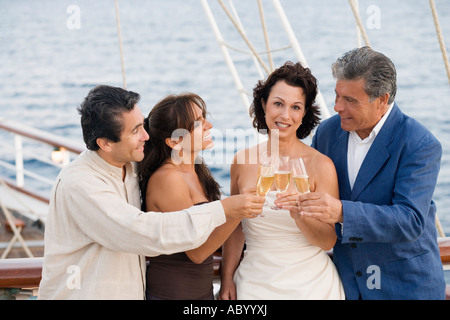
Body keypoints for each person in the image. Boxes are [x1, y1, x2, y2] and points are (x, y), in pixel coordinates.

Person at [38, 85, 264, 300]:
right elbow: (143, 230)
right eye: (135, 131)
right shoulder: (81, 184)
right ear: (105, 143)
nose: (146, 136)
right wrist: (228, 209)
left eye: (142, 125)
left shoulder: (131, 165)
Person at [293, 46, 446, 299]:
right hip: (346, 286)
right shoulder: (327, 134)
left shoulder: (419, 143)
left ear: (382, 100)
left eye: (350, 100)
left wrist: (341, 211)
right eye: (337, 95)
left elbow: (410, 221)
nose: (337, 106)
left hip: (406, 287)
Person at [219, 62, 345, 300]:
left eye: (296, 107)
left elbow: (328, 240)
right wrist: (227, 279)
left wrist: (300, 215)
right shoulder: (242, 160)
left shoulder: (321, 165)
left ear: (304, 113)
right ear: (264, 104)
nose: (285, 115)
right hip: (253, 286)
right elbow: (235, 229)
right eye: (278, 103)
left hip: (313, 287)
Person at [138, 93, 246, 300]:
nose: (209, 125)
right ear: (174, 141)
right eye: (198, 123)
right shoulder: (167, 179)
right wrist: (235, 209)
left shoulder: (195, 171)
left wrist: (227, 277)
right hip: (172, 294)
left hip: (200, 294)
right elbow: (196, 253)